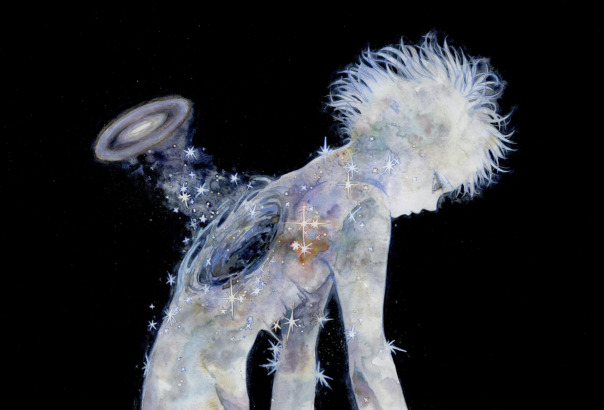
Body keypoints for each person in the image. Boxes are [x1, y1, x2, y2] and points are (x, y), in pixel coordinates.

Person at [133, 33, 512, 409]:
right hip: (197, 392)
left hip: (175, 383)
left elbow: (295, 358)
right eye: (438, 184)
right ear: (415, 154)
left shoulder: (311, 184)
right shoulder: (364, 208)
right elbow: (369, 362)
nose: (431, 204)